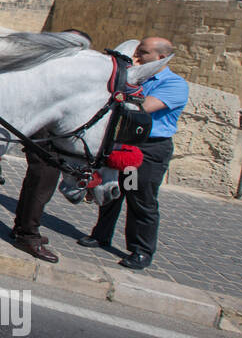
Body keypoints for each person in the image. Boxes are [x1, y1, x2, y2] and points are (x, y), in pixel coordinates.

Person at [78, 36, 189, 271]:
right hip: (126, 143)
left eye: (144, 53)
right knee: (115, 190)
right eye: (137, 51)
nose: (137, 57)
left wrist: (128, 82)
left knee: (140, 199)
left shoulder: (173, 84)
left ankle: (141, 250)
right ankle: (101, 234)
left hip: (149, 148)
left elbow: (141, 108)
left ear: (160, 58)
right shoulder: (136, 77)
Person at [10, 30, 92, 263]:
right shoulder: (48, 66)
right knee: (42, 180)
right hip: (45, 132)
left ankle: (25, 228)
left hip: (51, 131)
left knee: (41, 182)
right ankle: (27, 234)